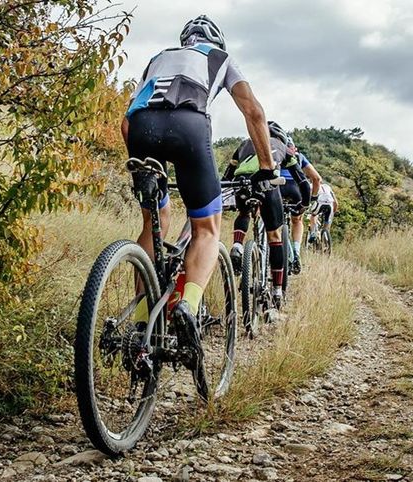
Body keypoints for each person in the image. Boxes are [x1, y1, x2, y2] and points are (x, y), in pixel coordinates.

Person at [122, 15, 277, 340]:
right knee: (206, 229)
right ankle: (187, 306)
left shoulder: (158, 58)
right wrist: (266, 167)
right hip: (188, 128)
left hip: (141, 129)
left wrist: (143, 165)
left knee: (155, 221)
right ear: (217, 41)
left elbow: (125, 122)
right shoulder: (222, 58)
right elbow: (254, 112)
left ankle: (141, 320)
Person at [224, 121, 289, 308]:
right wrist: (304, 202)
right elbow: (300, 179)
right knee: (274, 236)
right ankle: (277, 290)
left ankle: (237, 245)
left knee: (244, 212)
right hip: (267, 184)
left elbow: (228, 174)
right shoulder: (282, 146)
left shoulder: (244, 144)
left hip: (241, 182)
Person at [279, 138, 322, 273]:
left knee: (273, 223)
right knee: (297, 221)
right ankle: (296, 251)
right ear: (294, 148)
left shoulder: (274, 153)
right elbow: (316, 179)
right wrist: (313, 198)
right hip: (296, 189)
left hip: (277, 187)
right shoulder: (299, 157)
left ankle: (280, 251)